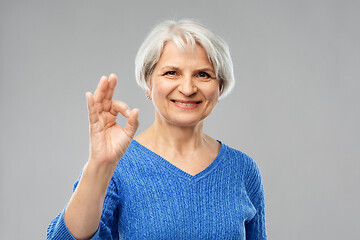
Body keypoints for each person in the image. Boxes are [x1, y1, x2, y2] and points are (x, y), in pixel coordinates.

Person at [47, 19, 267, 239]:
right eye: (171, 72)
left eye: (203, 74)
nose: (188, 88)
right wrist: (99, 164)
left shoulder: (243, 170)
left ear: (219, 88)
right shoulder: (117, 166)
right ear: (148, 83)